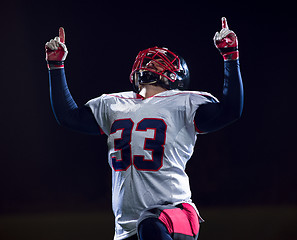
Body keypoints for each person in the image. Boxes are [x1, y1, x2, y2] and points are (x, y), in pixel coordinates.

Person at [45, 17, 244, 240]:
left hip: (176, 213)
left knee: (150, 223)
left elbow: (230, 111)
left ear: (176, 76)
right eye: (150, 61)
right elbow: (68, 117)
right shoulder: (113, 104)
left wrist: (230, 57)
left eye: (159, 63)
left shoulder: (184, 102)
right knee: (146, 225)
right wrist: (56, 67)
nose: (151, 63)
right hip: (126, 228)